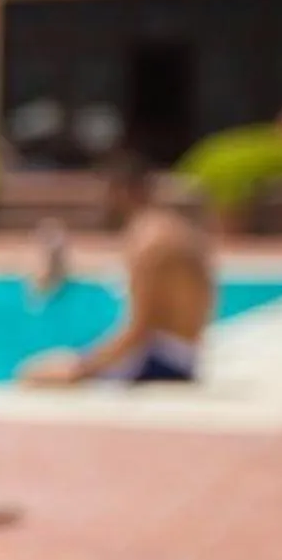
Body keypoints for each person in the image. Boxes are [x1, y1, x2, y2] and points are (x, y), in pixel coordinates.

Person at [19, 152, 214, 386]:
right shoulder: (174, 228)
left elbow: (141, 329)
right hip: (183, 356)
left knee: (33, 374)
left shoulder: (148, 243)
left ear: (120, 192)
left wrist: (81, 368)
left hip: (162, 362)